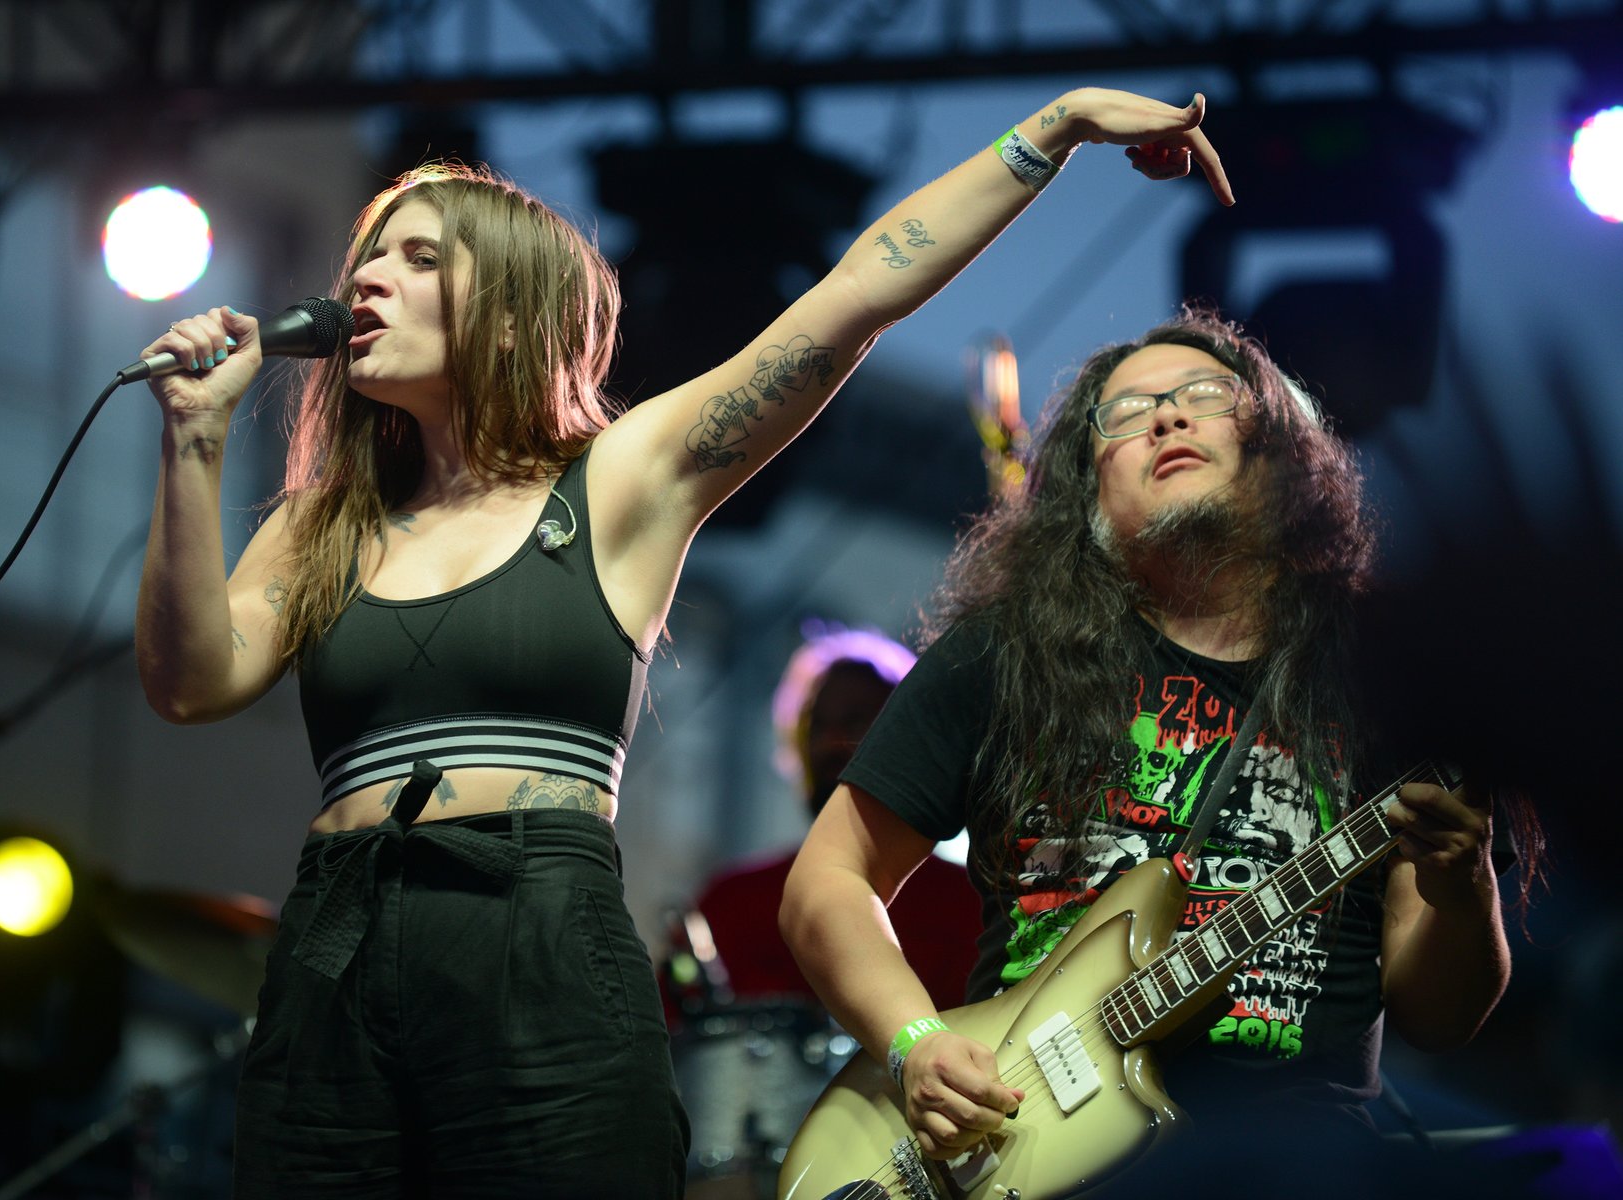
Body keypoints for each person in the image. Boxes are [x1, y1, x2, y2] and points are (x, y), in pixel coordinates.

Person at [132, 88, 1233, 1198]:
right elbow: (189, 683)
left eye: (417, 259)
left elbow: (853, 296)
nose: (365, 278)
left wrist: (1054, 129)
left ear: (515, 315)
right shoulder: (316, 524)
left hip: (534, 928)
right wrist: (194, 441)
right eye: (367, 258)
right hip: (337, 937)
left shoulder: (616, 483)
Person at [779, 309, 1543, 1194]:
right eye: (1127, 413)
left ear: (1275, 447)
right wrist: (914, 1043)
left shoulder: (1387, 674)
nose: (1166, 418)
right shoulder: (1005, 653)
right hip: (1019, 1149)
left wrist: (1462, 882)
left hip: (1291, 1153)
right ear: (1087, 490)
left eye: (1203, 396)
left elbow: (1441, 1018)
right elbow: (830, 880)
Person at [681, 626, 980, 1013]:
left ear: (913, 745)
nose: (828, 744)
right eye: (816, 726)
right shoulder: (731, 902)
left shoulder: (968, 907)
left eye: (855, 724)